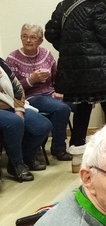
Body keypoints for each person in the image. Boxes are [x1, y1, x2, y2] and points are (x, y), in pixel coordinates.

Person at [45, 0, 106, 153]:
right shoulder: (97, 5)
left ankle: (77, 147)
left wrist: (69, 49)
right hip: (98, 66)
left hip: (72, 68)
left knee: (82, 107)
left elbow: (50, 33)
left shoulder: (63, 5)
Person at [6, 24, 73, 161]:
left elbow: (57, 77)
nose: (28, 40)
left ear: (40, 40)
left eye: (32, 37)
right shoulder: (12, 59)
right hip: (30, 97)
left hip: (49, 94)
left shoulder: (46, 54)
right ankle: (59, 148)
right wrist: (31, 80)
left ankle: (77, 143)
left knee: (77, 103)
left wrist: (58, 91)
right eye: (24, 36)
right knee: (61, 108)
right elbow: (12, 89)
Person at [0, 57, 52, 181]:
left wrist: (19, 109)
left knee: (43, 126)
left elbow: (17, 86)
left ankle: (25, 157)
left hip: (11, 104)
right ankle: (17, 164)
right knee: (14, 122)